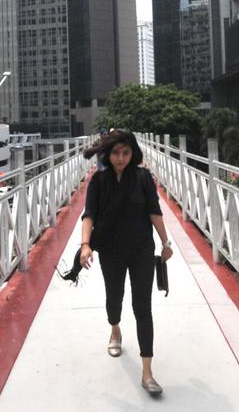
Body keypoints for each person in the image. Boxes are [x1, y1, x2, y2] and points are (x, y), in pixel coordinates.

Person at [78, 130, 172, 396]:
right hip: (111, 249)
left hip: (142, 248)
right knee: (114, 298)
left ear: (134, 154)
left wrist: (166, 244)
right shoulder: (99, 181)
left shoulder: (143, 179)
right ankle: (115, 329)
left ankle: (147, 373)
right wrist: (85, 245)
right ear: (108, 154)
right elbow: (89, 214)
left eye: (126, 153)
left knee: (143, 308)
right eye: (116, 153)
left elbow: (154, 211)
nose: (121, 158)